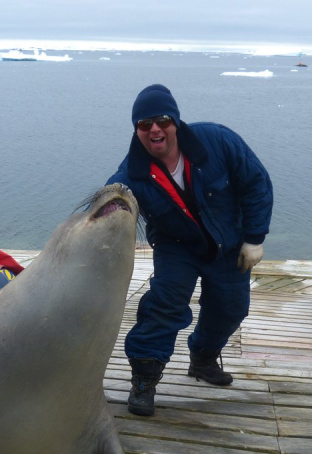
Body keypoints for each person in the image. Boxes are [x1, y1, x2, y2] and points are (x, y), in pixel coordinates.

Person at [107, 84, 273, 417]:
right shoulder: (131, 175)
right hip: (176, 246)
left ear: (176, 121)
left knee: (231, 307)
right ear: (137, 130)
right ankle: (144, 380)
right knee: (164, 305)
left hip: (229, 243)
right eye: (144, 124)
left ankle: (203, 357)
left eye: (162, 120)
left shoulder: (217, 141)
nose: (154, 128)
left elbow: (256, 182)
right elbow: (109, 208)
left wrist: (254, 238)